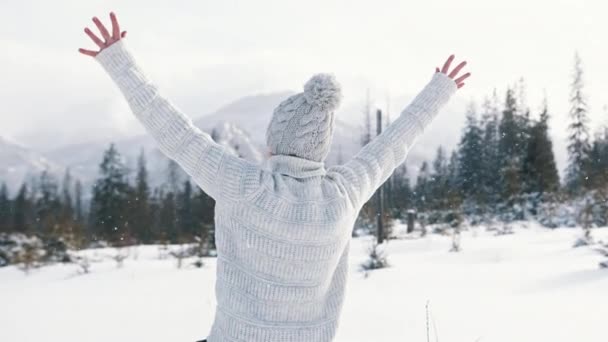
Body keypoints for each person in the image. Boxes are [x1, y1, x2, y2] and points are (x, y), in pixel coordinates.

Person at [79, 12, 470, 342]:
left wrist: (119, 60)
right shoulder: (344, 193)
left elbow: (173, 130)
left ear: (273, 142)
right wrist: (441, 89)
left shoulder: (244, 186)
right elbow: (395, 142)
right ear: (321, 146)